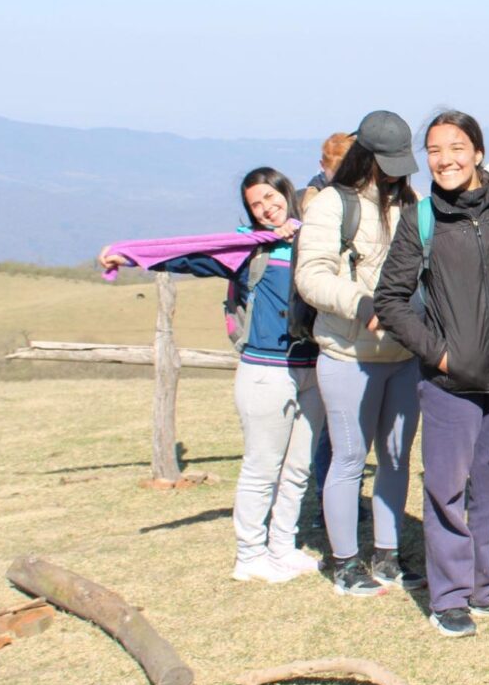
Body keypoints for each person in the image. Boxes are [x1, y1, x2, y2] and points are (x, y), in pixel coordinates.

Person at [98, 168, 324, 584]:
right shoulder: (245, 249)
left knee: (297, 469)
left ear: (285, 193)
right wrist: (129, 255)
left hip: (313, 367)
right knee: (262, 467)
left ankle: (283, 548)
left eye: (270, 197)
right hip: (266, 371)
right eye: (256, 204)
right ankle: (250, 555)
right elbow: (189, 254)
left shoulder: (315, 238)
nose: (266, 208)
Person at [373, 111, 489, 638]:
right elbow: (390, 300)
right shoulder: (420, 218)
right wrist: (438, 355)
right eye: (435, 150)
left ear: (478, 153)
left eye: (457, 147)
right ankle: (450, 596)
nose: (445, 160)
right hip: (448, 383)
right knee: (445, 490)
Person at [295, 110, 423, 597]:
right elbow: (311, 276)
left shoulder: (411, 202)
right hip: (348, 355)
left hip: (404, 355)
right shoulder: (332, 204)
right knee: (349, 458)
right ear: (366, 158)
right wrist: (360, 303)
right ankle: (345, 562)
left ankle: (388, 555)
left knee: (396, 458)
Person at [306, 130, 356, 516]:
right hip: (328, 330)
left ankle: (340, 501)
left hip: (357, 333)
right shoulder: (317, 201)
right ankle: (329, 500)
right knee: (332, 432)